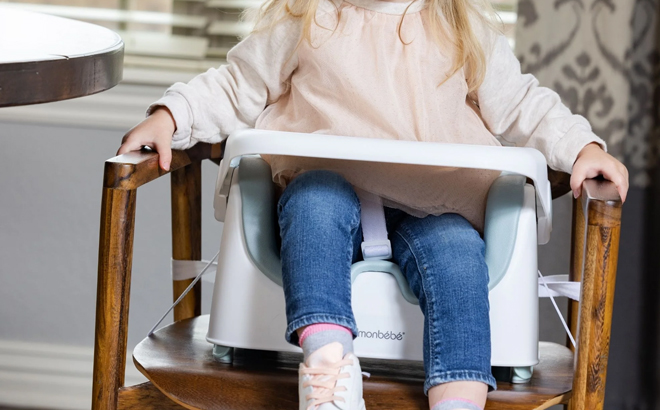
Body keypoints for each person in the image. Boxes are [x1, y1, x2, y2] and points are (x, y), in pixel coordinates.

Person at [117, 0, 629, 408]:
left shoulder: (459, 24)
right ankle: (329, 369)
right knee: (313, 203)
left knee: (456, 252)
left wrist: (581, 147)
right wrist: (170, 116)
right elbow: (234, 86)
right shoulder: (305, 16)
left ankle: (458, 398)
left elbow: (523, 105)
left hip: (434, 204)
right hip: (325, 188)